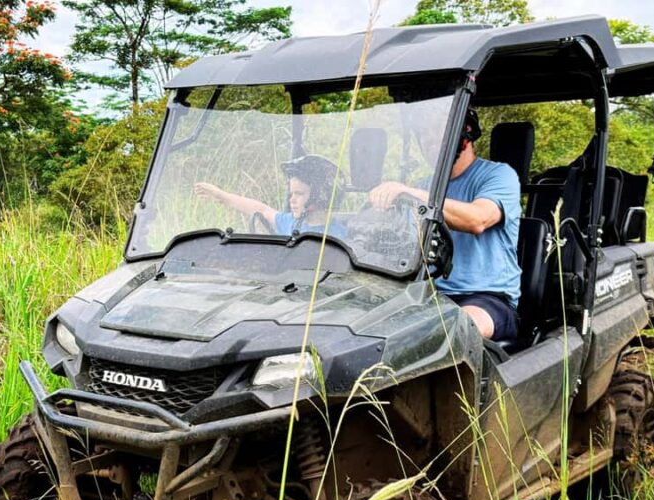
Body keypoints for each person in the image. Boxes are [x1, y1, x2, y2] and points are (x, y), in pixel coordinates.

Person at [369, 108, 521, 341]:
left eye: (437, 130)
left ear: (466, 131)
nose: (428, 139)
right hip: (426, 294)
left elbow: (477, 219)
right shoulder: (423, 186)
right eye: (423, 133)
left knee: (453, 330)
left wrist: (409, 192)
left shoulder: (499, 175)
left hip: (486, 299)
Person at [195, 154, 346, 238]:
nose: (291, 199)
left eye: (299, 194)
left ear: (321, 196)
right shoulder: (291, 223)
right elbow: (261, 209)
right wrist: (221, 196)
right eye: (291, 193)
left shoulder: (338, 237)